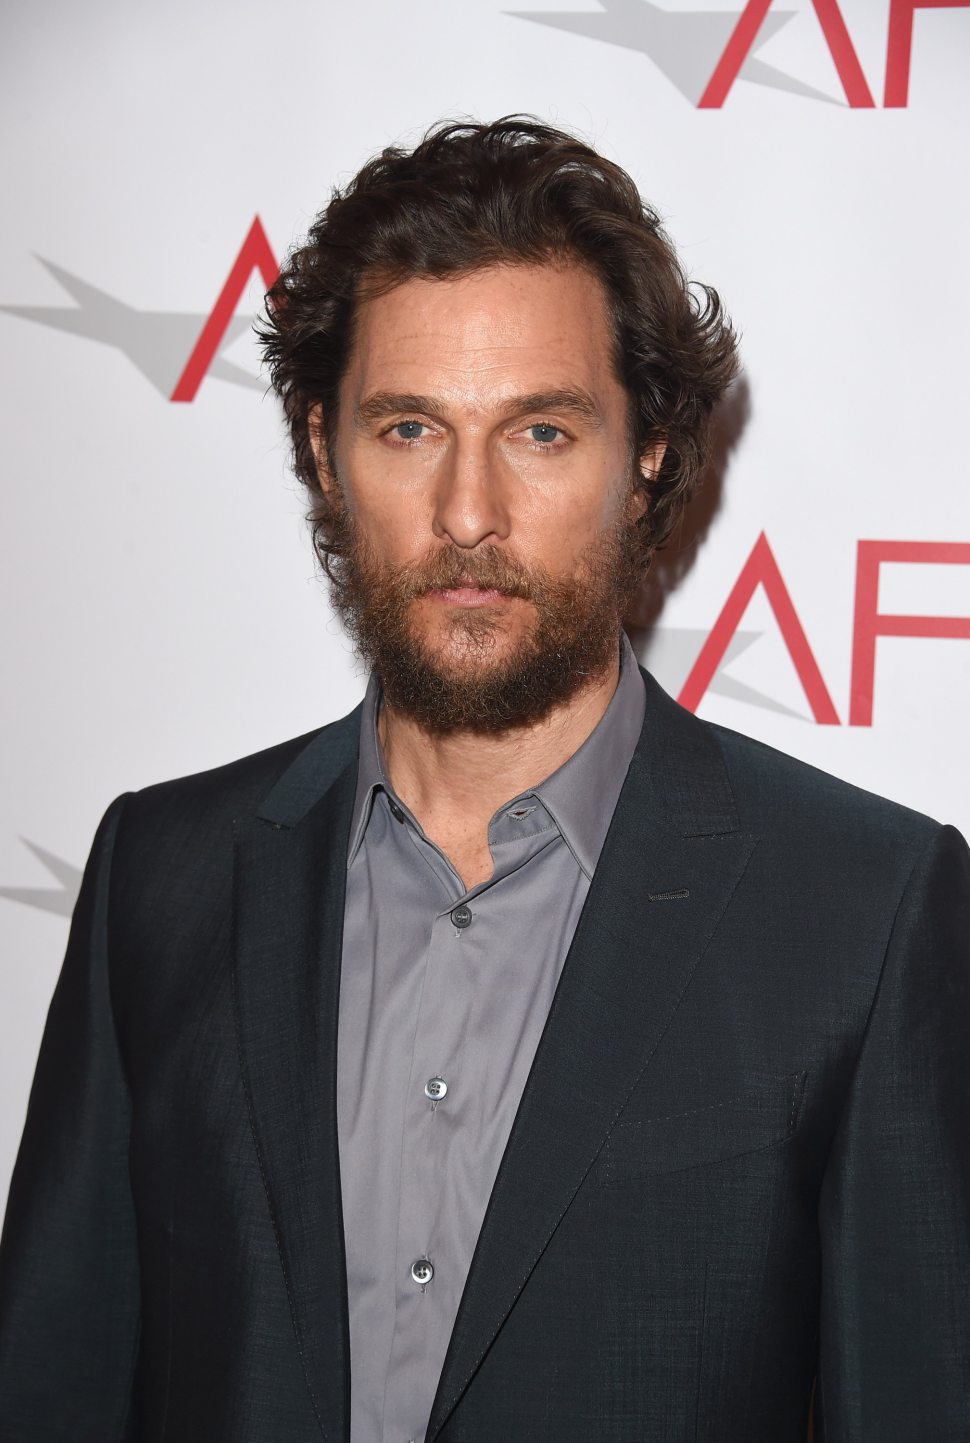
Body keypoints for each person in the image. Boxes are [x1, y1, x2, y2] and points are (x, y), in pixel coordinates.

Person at [0, 116, 967, 1443]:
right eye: (409, 428)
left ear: (647, 451)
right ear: (322, 447)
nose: (468, 514)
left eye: (541, 433)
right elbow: (51, 1385)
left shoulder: (865, 912)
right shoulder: (160, 875)